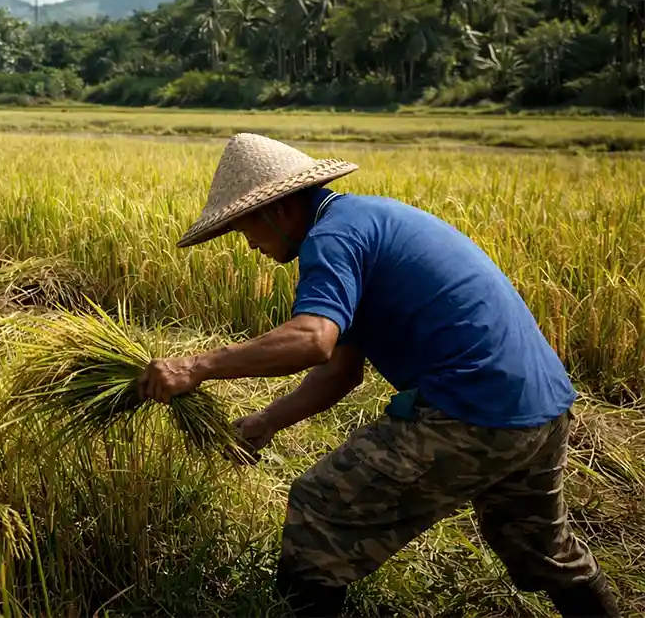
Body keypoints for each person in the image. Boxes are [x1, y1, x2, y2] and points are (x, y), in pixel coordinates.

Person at [136, 133, 620, 618]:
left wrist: (194, 367)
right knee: (543, 548)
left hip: (472, 410)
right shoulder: (365, 220)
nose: (251, 247)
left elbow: (313, 339)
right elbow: (340, 372)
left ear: (278, 210)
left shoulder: (330, 238)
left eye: (246, 231)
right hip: (542, 405)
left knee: (319, 509)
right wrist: (266, 421)